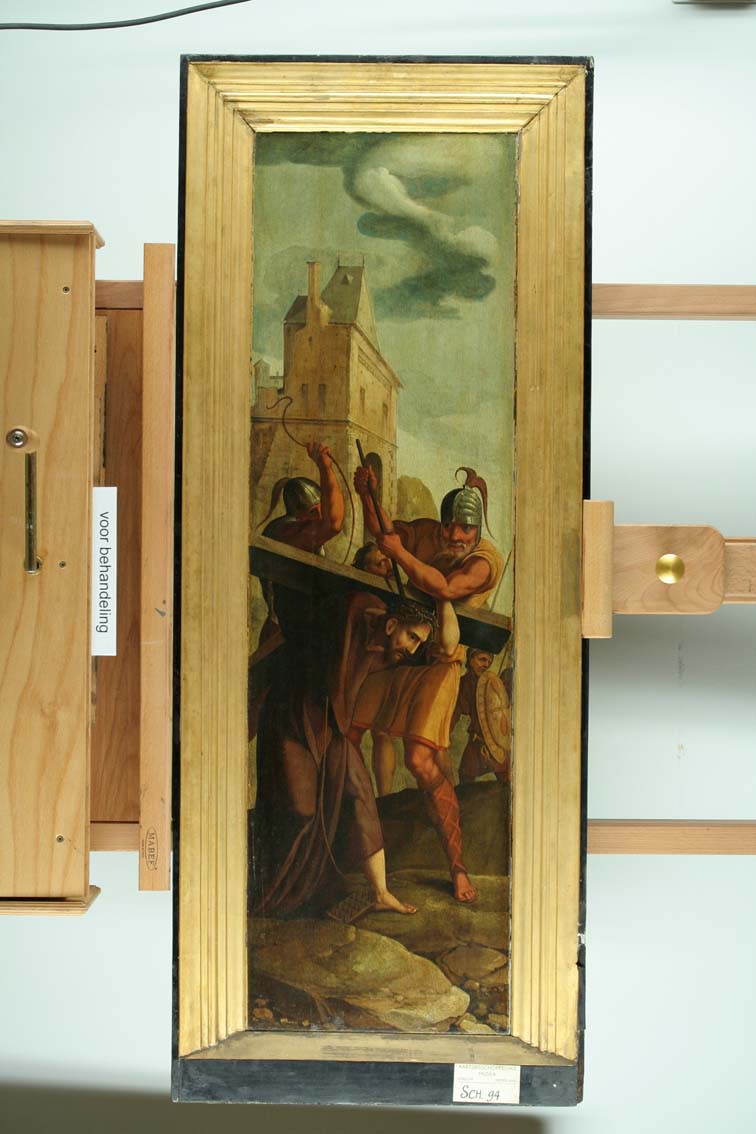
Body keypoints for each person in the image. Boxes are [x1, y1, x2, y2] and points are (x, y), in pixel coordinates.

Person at [352, 466, 505, 903]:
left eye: (465, 529)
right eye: (450, 526)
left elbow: (445, 587)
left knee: (420, 760)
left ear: (477, 530)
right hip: (403, 651)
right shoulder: (427, 534)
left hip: (440, 661)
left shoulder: (484, 561)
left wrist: (400, 554)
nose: (455, 536)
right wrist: (367, 494)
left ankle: (457, 867)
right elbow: (384, 532)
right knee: (349, 729)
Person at [252, 592, 446, 920]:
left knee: (360, 790)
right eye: (412, 637)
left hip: (330, 721)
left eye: (419, 643)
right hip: (292, 713)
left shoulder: (391, 650)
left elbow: (445, 644)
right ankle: (274, 893)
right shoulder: (355, 613)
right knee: (301, 808)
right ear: (391, 625)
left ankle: (380, 892)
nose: (412, 649)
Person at [451, 648, 509, 784]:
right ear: (471, 659)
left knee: (506, 780)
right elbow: (456, 711)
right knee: (465, 776)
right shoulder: (464, 684)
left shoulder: (493, 683)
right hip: (477, 743)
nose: (486, 664)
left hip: (496, 743)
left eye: (489, 661)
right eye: (482, 659)